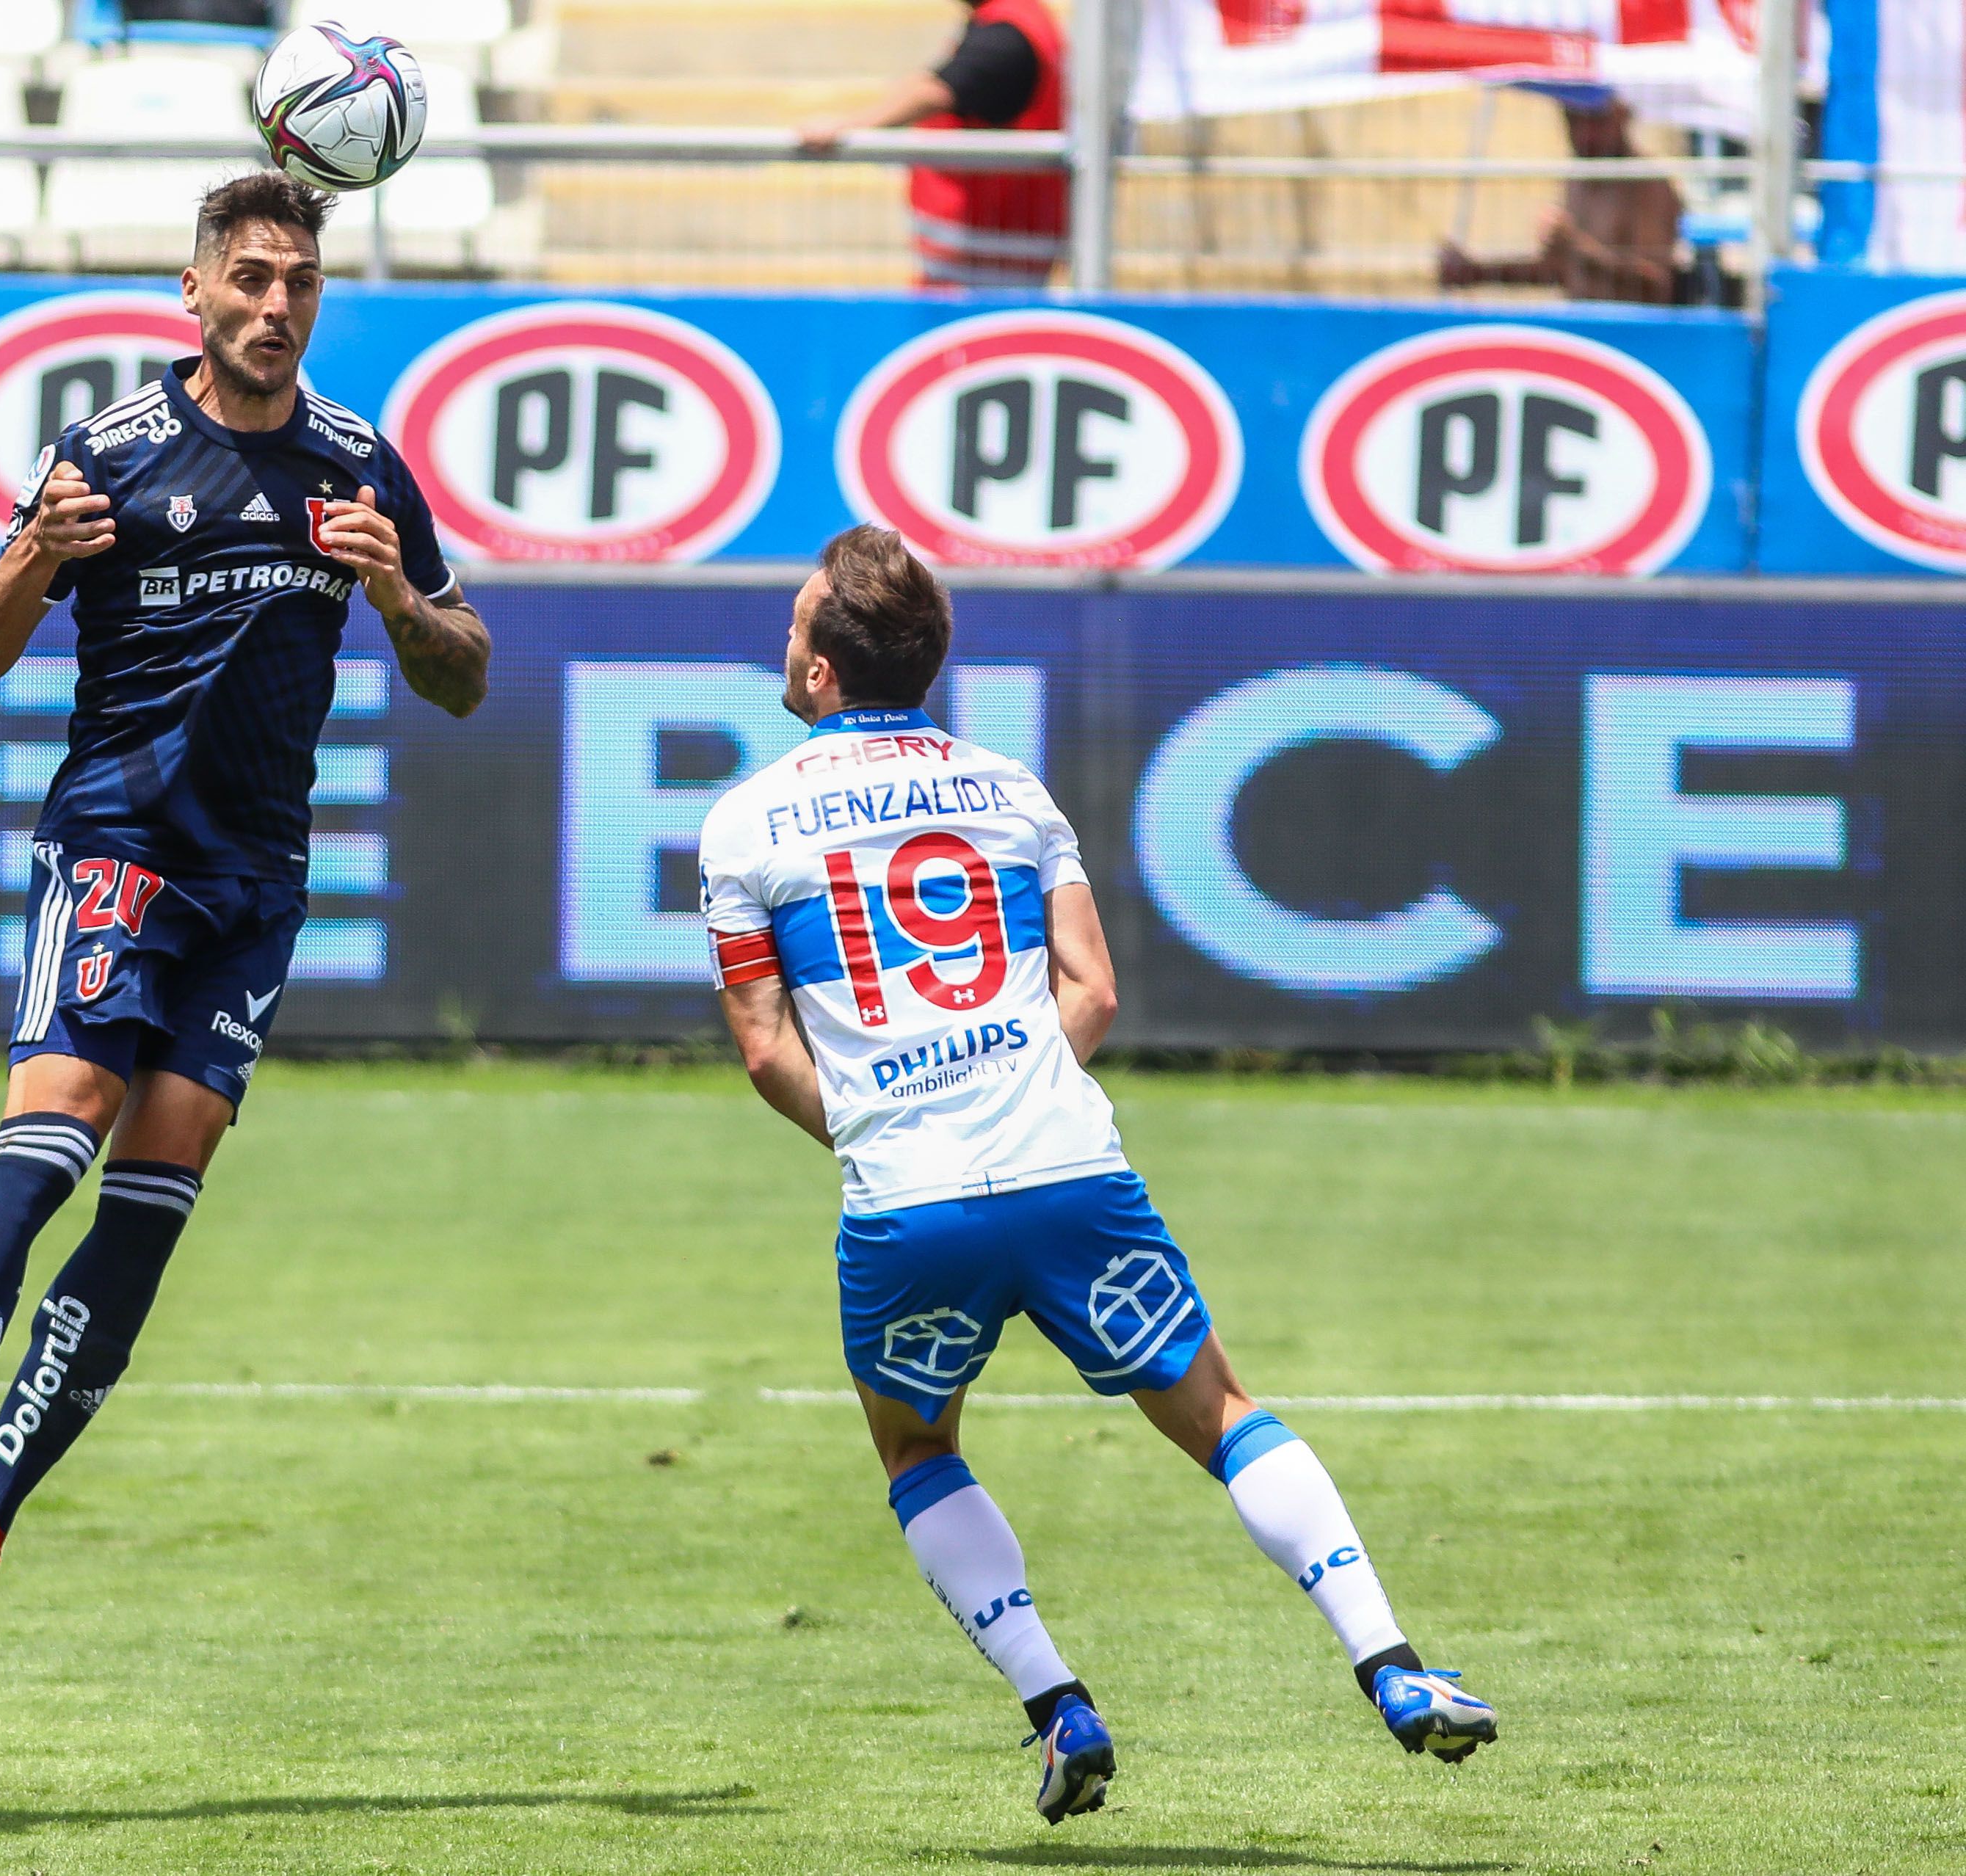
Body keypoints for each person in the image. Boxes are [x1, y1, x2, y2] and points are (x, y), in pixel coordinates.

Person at [697, 527, 1496, 1822]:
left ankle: (1056, 1704)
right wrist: (1008, 1079)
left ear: (824, 675)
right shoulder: (1011, 791)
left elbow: (759, 1049)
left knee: (914, 1447)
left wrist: (882, 1119)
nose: (782, 642)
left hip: (908, 1202)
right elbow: (1095, 989)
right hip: (1069, 1169)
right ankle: (1391, 1664)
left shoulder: (742, 824)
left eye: (794, 626)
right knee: (1223, 1414)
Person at [0, 172, 491, 1673]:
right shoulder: (113, 457)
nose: (277, 306)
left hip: (254, 890)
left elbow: (466, 673)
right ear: (194, 294)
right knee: (55, 1132)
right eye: (252, 279)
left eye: (301, 283)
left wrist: (401, 597)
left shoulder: (358, 465)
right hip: (118, 854)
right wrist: (36, 556)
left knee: (150, 1216)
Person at [797, 0, 1067, 287]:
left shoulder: (1009, 34)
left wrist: (849, 125)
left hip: (985, 265)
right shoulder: (1020, 21)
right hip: (984, 257)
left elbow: (937, 91)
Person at [1437, 96, 1681, 305]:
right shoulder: (1580, 179)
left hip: (1634, 338)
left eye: (1594, 120)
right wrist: (1479, 272)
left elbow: (1656, 282)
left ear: (1623, 115)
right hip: (1581, 330)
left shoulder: (1647, 183)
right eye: (1572, 120)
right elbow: (1561, 269)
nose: (1583, 133)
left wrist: (1576, 245)